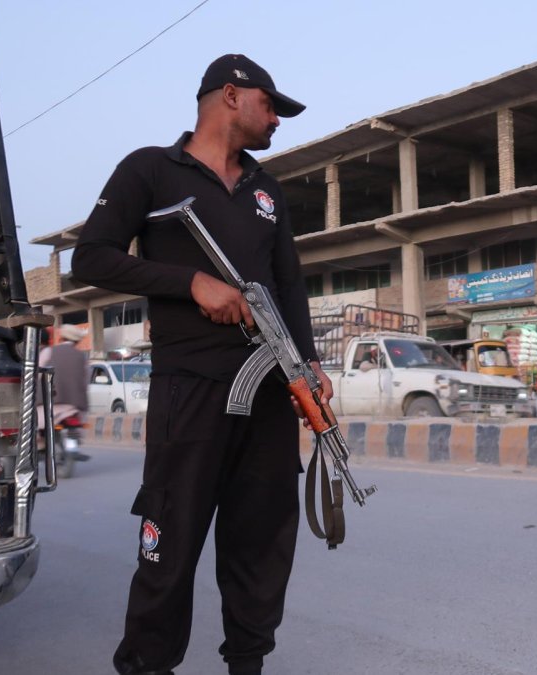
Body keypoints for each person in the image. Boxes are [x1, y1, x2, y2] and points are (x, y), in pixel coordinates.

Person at [71, 54, 328, 675]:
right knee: (171, 543)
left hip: (267, 391)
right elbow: (91, 259)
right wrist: (190, 283)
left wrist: (309, 363)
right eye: (271, 105)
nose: (277, 120)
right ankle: (148, 666)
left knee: (262, 542)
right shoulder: (151, 170)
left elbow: (288, 284)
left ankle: (247, 664)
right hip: (188, 390)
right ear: (232, 96)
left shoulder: (266, 189)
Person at [39, 324, 91, 459]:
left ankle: (41, 444)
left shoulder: (49, 352)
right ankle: (75, 443)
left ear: (61, 338)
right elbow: (86, 380)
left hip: (51, 401)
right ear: (77, 341)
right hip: (75, 403)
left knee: (38, 421)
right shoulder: (82, 357)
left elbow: (37, 373)